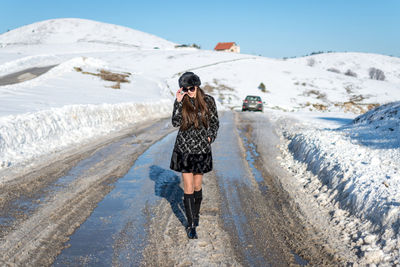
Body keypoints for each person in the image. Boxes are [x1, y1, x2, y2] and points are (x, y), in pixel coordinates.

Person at [170, 72, 219, 239]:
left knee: (198, 186)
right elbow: (176, 123)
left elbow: (214, 123)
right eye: (186, 88)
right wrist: (177, 102)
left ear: (197, 86)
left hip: (201, 149)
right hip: (184, 148)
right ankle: (191, 225)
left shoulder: (208, 101)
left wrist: (210, 137)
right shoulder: (182, 101)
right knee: (188, 187)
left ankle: (195, 215)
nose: (189, 91)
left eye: (191, 88)